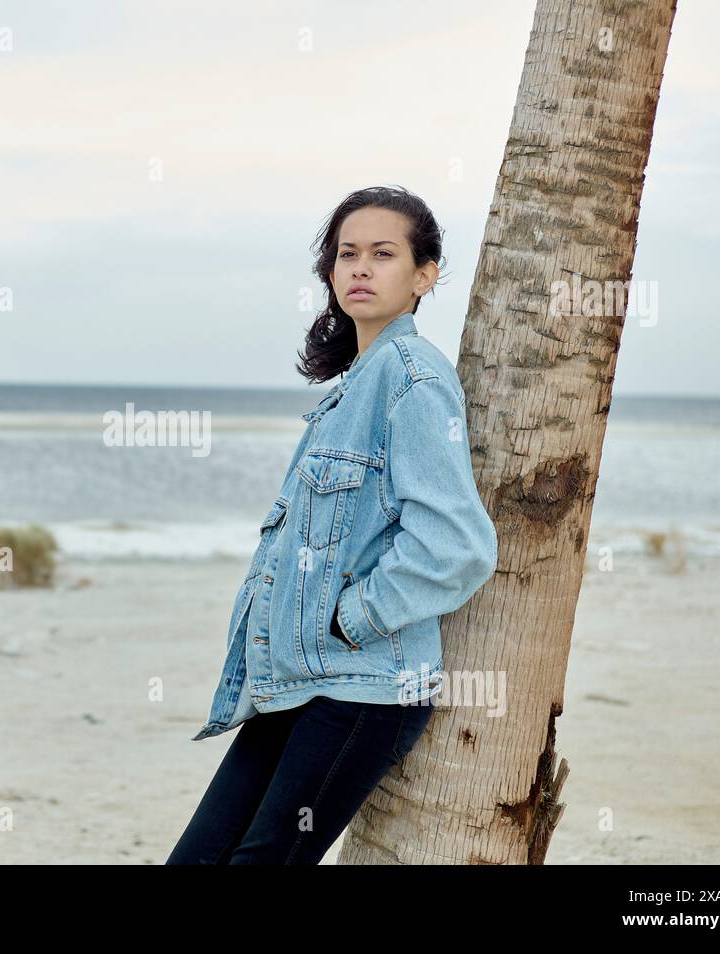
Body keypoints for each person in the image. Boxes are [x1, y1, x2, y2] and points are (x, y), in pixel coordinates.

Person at [167, 185, 498, 865]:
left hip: (364, 687)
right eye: (347, 254)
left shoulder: (411, 378)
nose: (360, 268)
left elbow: (457, 546)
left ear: (423, 275)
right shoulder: (356, 383)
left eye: (383, 253)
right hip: (298, 679)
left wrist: (354, 618)